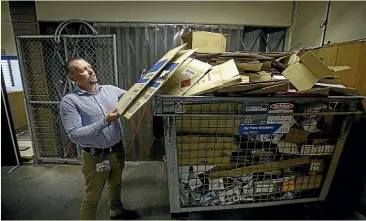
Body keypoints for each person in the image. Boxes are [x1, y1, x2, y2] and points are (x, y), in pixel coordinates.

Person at [60, 57, 139, 220]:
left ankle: (116, 212)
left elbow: (133, 97)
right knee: (92, 197)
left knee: (116, 184)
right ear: (72, 77)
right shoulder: (70, 101)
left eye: (89, 67)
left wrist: (143, 82)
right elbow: (75, 134)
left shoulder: (110, 90)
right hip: (95, 156)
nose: (90, 70)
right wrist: (104, 121)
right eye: (82, 70)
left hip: (117, 150)